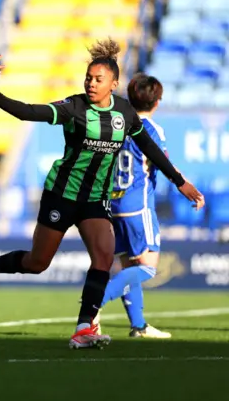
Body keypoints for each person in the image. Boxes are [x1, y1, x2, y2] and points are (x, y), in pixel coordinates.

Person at [0, 38, 204, 349]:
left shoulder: (125, 113)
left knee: (104, 258)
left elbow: (149, 147)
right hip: (62, 196)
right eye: (88, 78)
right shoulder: (74, 107)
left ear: (113, 83)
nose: (91, 84)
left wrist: (178, 181)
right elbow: (27, 112)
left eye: (98, 79)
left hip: (95, 200)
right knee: (38, 262)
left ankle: (83, 328)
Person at [93, 73, 180, 339]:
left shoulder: (116, 124)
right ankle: (93, 303)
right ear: (157, 102)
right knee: (148, 267)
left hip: (113, 204)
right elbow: (163, 164)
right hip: (137, 206)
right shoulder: (152, 130)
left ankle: (139, 326)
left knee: (129, 267)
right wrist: (186, 186)